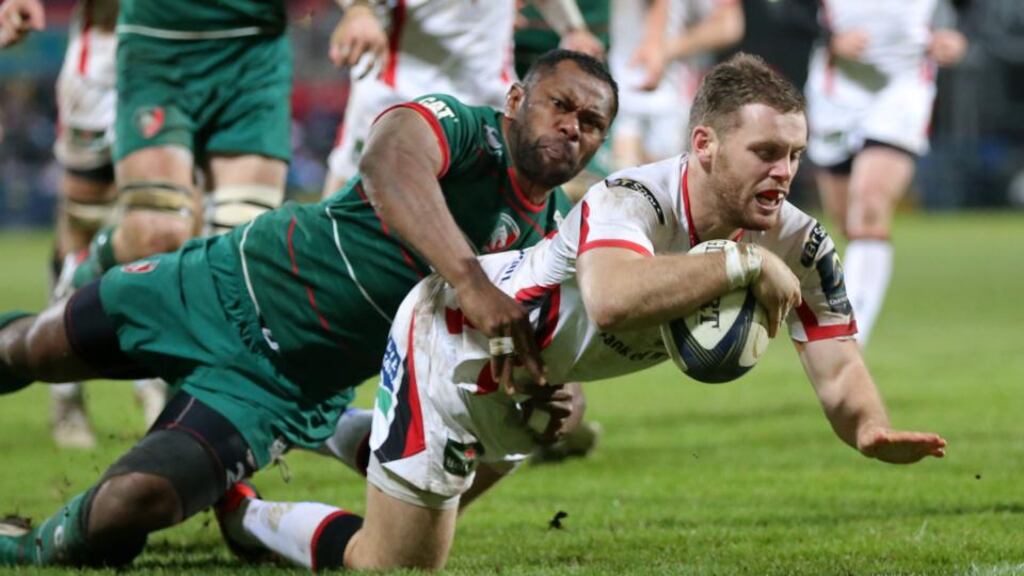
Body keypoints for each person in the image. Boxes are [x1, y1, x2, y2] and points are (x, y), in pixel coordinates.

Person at [213, 53, 947, 572]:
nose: (783, 173)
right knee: (393, 563)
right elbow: (611, 295)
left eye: (793, 153)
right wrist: (740, 261)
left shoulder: (800, 239)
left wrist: (867, 427)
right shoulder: (632, 198)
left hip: (535, 387)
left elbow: (836, 354)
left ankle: (344, 435)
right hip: (456, 345)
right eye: (764, 151)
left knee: (423, 521)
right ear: (705, 147)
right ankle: (247, 512)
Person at [0, 49, 617, 567]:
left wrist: (558, 397)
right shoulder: (461, 125)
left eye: (591, 122)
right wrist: (471, 282)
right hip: (221, 285)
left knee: (129, 507)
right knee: (27, 349)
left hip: (277, 388)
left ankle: (22, 545)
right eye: (559, 105)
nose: (572, 127)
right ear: (515, 101)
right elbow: (389, 164)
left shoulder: (553, 242)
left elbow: (544, 350)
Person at [0, 0, 165, 448]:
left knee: (167, 227)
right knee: (81, 230)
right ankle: (65, 392)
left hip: (179, 58)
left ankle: (155, 381)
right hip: (103, 62)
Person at [805, 0, 966, 346]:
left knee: (871, 204)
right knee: (849, 221)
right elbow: (782, 9)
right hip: (837, 90)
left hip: (903, 87)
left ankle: (848, 337)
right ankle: (849, 319)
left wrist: (956, 34)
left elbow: (970, 9)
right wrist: (828, 37)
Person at [323, 0, 604, 196]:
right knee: (351, 190)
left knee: (493, 211)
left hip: (488, 92)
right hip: (399, 87)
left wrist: (573, 28)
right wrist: (359, 10)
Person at [610, 0, 744, 170]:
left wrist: (664, 49)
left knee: (657, 184)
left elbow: (729, 25)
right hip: (614, 87)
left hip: (670, 100)